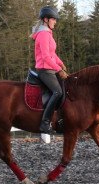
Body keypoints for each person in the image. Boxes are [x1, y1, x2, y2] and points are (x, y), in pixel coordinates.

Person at [31, 6, 68, 134]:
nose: (55, 22)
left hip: (50, 68)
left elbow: (52, 54)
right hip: (45, 70)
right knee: (57, 92)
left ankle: (60, 120)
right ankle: (45, 123)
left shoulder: (47, 34)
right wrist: (59, 70)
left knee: (65, 90)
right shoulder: (43, 35)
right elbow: (46, 57)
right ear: (46, 20)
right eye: (54, 19)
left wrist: (61, 63)